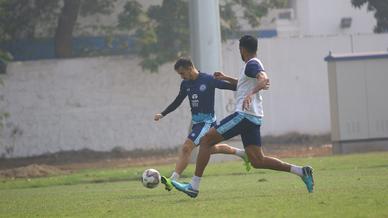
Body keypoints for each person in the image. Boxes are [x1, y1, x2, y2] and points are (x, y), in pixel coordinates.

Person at [171, 35, 314, 198]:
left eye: (239, 48)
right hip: (254, 118)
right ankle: (301, 171)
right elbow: (244, 83)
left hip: (244, 115)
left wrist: (251, 94)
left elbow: (263, 79)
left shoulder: (252, 64)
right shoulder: (252, 65)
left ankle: (193, 186)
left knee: (205, 140)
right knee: (257, 161)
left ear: (242, 49)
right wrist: (225, 78)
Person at [154, 57, 251, 192]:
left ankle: (173, 180)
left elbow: (232, 86)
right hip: (197, 123)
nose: (181, 77)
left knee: (187, 147)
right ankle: (242, 154)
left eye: (182, 73)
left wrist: (250, 87)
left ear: (189, 68)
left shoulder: (208, 79)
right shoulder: (185, 84)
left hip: (207, 122)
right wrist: (163, 113)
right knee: (210, 149)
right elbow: (177, 101)